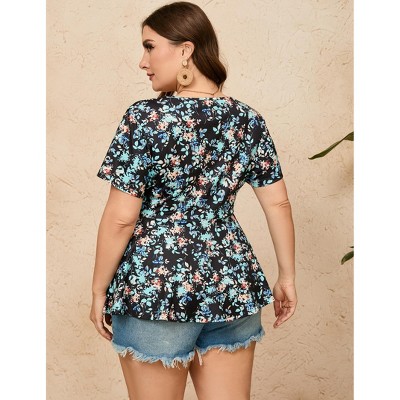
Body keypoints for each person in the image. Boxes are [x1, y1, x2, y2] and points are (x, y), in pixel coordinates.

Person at [89, 2, 297, 399]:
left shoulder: (144, 119)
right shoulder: (247, 120)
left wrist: (99, 289)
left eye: (150, 47)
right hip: (232, 285)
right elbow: (278, 205)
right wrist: (286, 277)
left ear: (185, 50)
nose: (142, 61)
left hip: (155, 289)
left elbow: (121, 218)